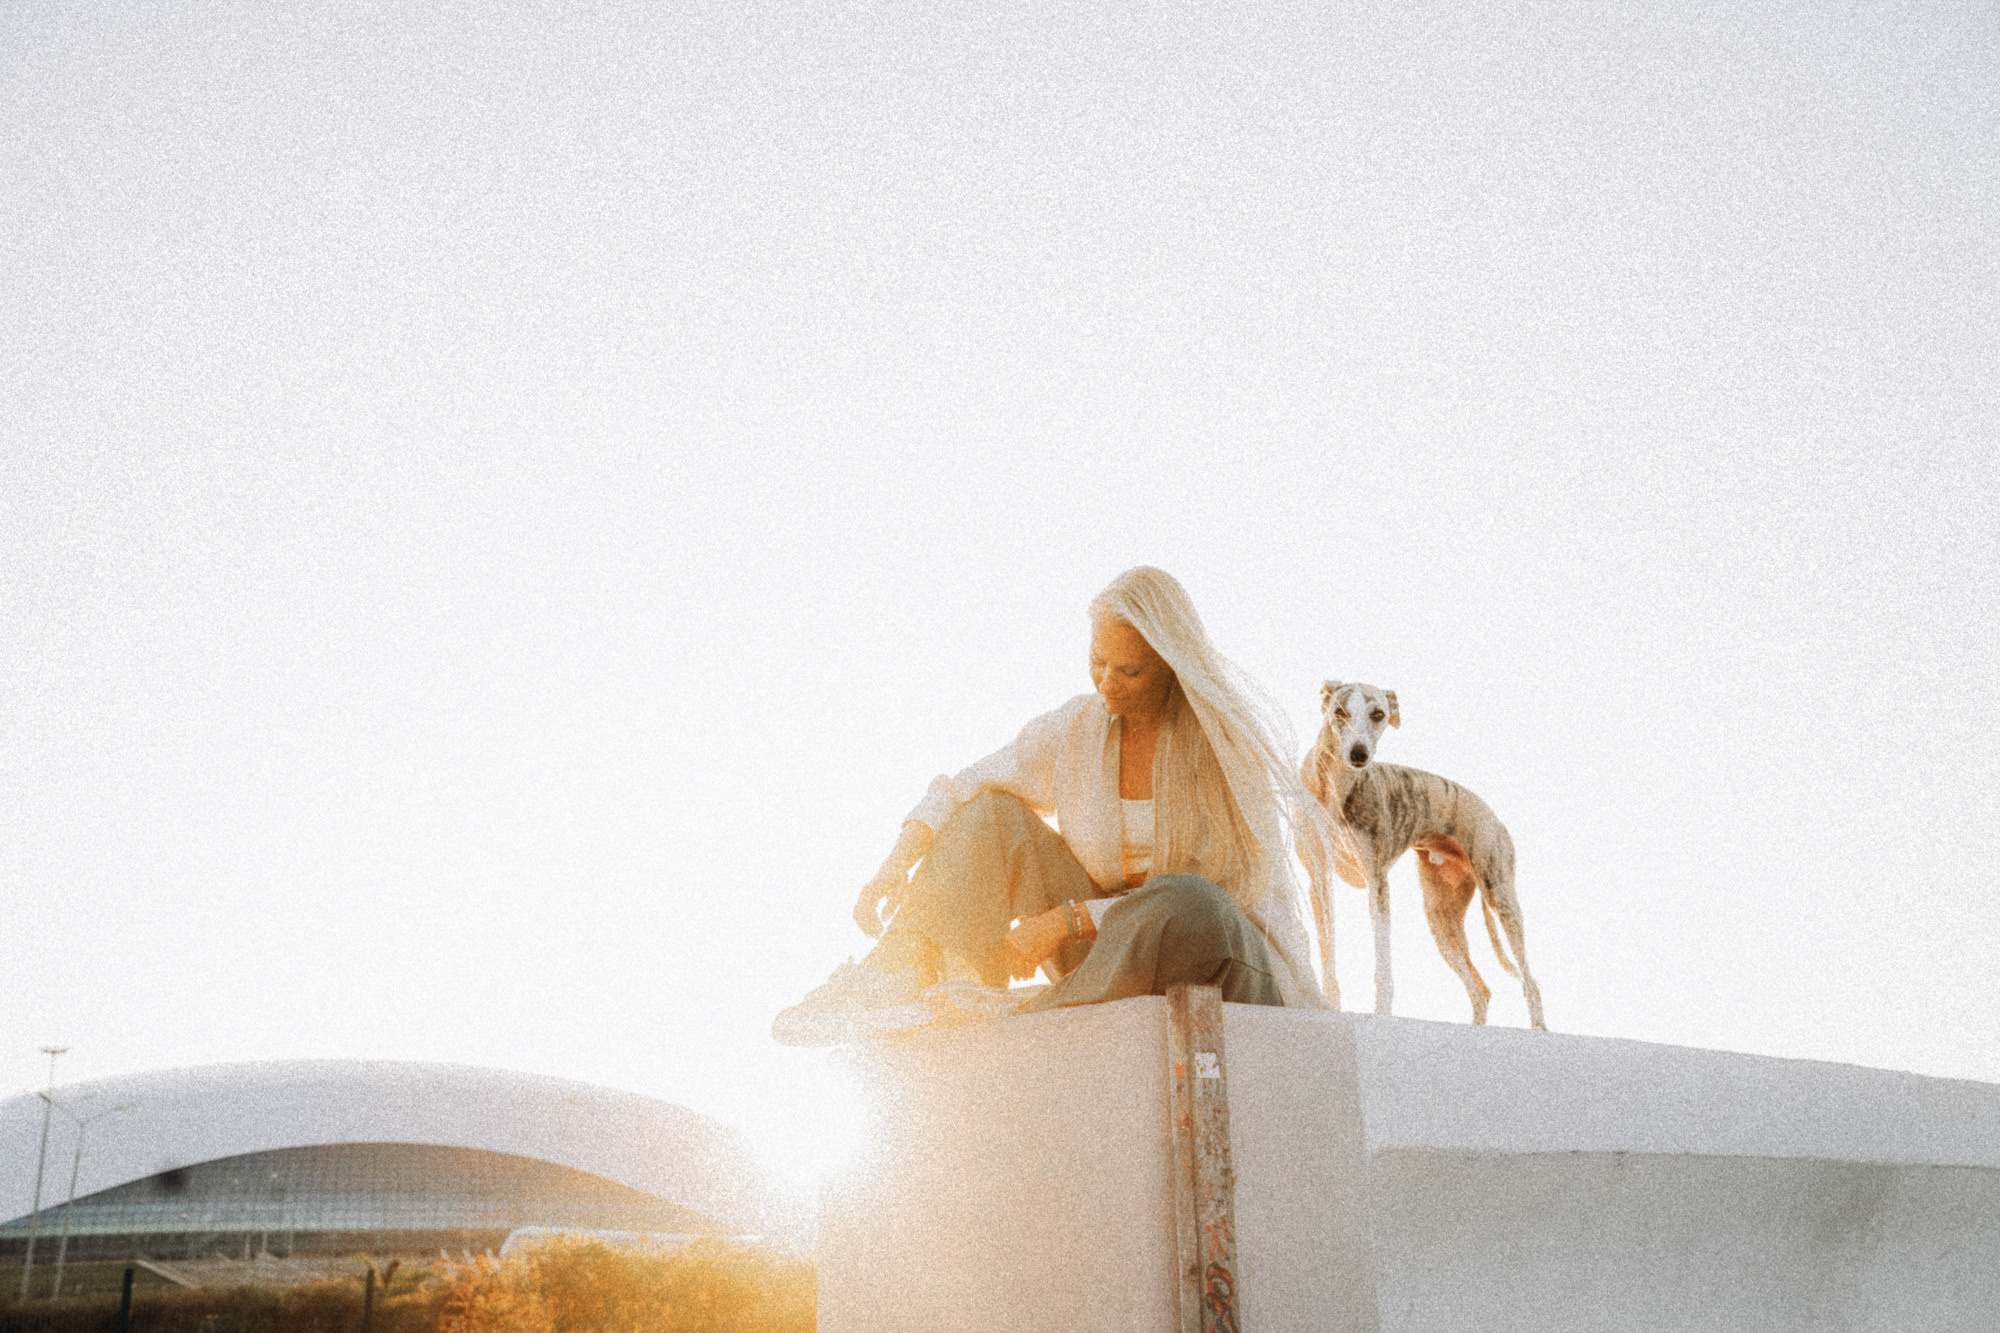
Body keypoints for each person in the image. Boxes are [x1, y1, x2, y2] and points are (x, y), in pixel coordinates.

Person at [772, 566, 1335, 1046]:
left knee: (1189, 900)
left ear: (1169, 664)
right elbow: (961, 785)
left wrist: (1067, 921)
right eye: (1097, 661)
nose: (1106, 682)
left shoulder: (1223, 745)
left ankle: (1021, 1014)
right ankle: (897, 976)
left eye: (1129, 670)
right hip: (1109, 957)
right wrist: (892, 869)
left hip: (1218, 956)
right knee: (989, 813)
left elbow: (1216, 896)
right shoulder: (1079, 728)